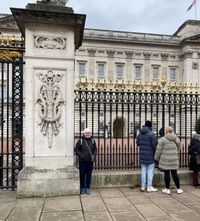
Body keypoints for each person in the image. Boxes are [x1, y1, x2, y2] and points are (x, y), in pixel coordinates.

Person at [155, 126, 183, 194]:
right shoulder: (176, 139)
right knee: (174, 174)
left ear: (166, 131)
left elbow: (158, 150)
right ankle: (178, 188)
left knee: (166, 174)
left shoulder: (162, 139)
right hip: (173, 159)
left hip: (165, 159)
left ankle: (167, 189)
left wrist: (156, 158)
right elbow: (179, 148)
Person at [137, 120, 158, 192]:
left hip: (142, 155)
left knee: (143, 171)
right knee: (150, 171)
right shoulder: (152, 134)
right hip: (150, 155)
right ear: (150, 126)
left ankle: (143, 186)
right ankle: (149, 187)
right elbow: (155, 146)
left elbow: (138, 143)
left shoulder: (140, 134)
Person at [74, 128, 97, 195]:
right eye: (86, 133)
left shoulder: (93, 141)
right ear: (84, 134)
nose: (87, 134)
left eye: (88, 133)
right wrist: (81, 156)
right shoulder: (80, 141)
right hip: (82, 161)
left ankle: (87, 188)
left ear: (90, 134)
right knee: (82, 175)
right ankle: (82, 187)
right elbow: (76, 149)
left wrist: (94, 154)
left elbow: (95, 149)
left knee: (89, 175)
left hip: (90, 161)